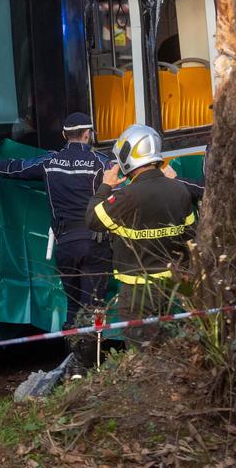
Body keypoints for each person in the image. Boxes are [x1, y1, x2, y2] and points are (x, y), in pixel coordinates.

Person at [0, 112, 113, 327]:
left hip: (66, 245)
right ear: (88, 134)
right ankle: (93, 354)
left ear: (64, 134)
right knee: (94, 305)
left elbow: (17, 168)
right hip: (95, 244)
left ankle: (75, 353)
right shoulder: (101, 163)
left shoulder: (49, 161)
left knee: (72, 306)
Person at [86, 124, 196, 340]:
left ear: (129, 155)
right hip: (170, 289)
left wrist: (105, 186)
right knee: (168, 348)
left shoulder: (127, 196)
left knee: (141, 352)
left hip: (136, 293)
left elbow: (92, 219)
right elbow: (191, 237)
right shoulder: (180, 190)